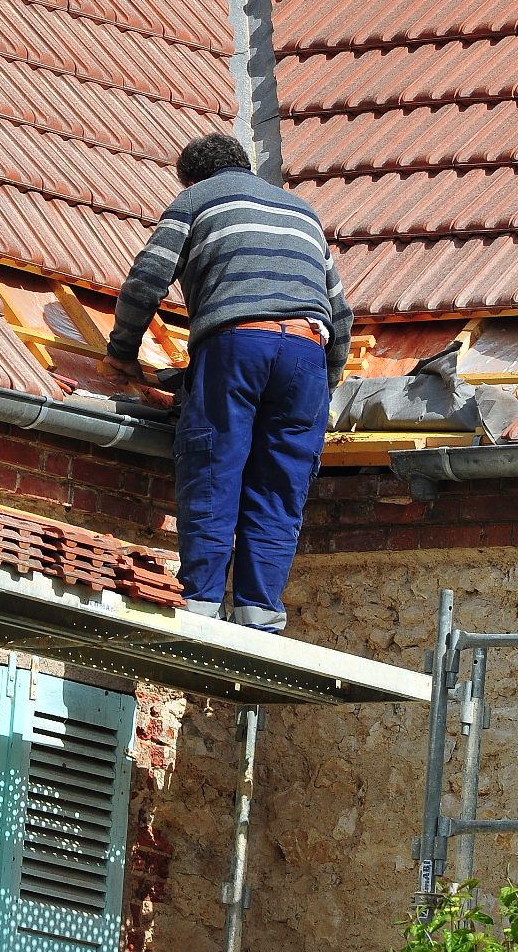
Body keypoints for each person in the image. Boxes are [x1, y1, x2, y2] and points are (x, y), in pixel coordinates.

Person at [104, 132, 351, 631]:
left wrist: (124, 352)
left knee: (215, 464)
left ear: (192, 177)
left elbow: (147, 279)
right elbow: (341, 314)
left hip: (238, 343)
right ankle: (259, 611)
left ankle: (199, 603)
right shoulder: (303, 212)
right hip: (309, 349)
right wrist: (323, 383)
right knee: (280, 484)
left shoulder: (195, 198)